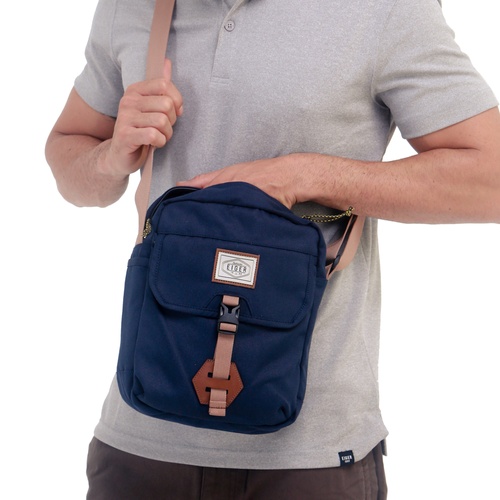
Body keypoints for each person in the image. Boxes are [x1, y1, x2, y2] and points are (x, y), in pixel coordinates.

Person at [45, 0, 500, 498]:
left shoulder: (386, 9)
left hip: (310, 458)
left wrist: (302, 175)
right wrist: (111, 156)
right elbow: (69, 155)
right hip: (140, 445)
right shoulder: (129, 8)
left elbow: (491, 180)